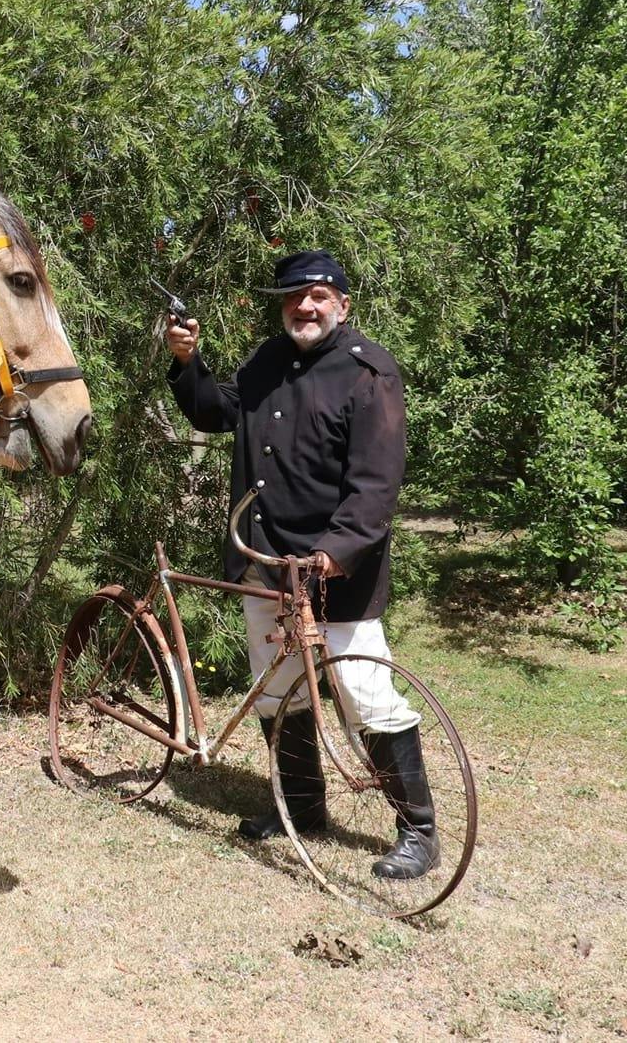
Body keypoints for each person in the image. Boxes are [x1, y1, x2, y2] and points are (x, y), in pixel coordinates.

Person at [163, 249, 437, 880]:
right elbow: (217, 412)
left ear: (343, 304)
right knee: (277, 689)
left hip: (333, 573)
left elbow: (375, 490)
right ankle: (301, 807)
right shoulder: (265, 362)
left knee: (366, 695)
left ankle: (418, 831)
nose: (305, 306)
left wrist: (331, 557)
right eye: (293, 296)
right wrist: (187, 362)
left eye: (318, 296)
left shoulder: (370, 373)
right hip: (263, 562)